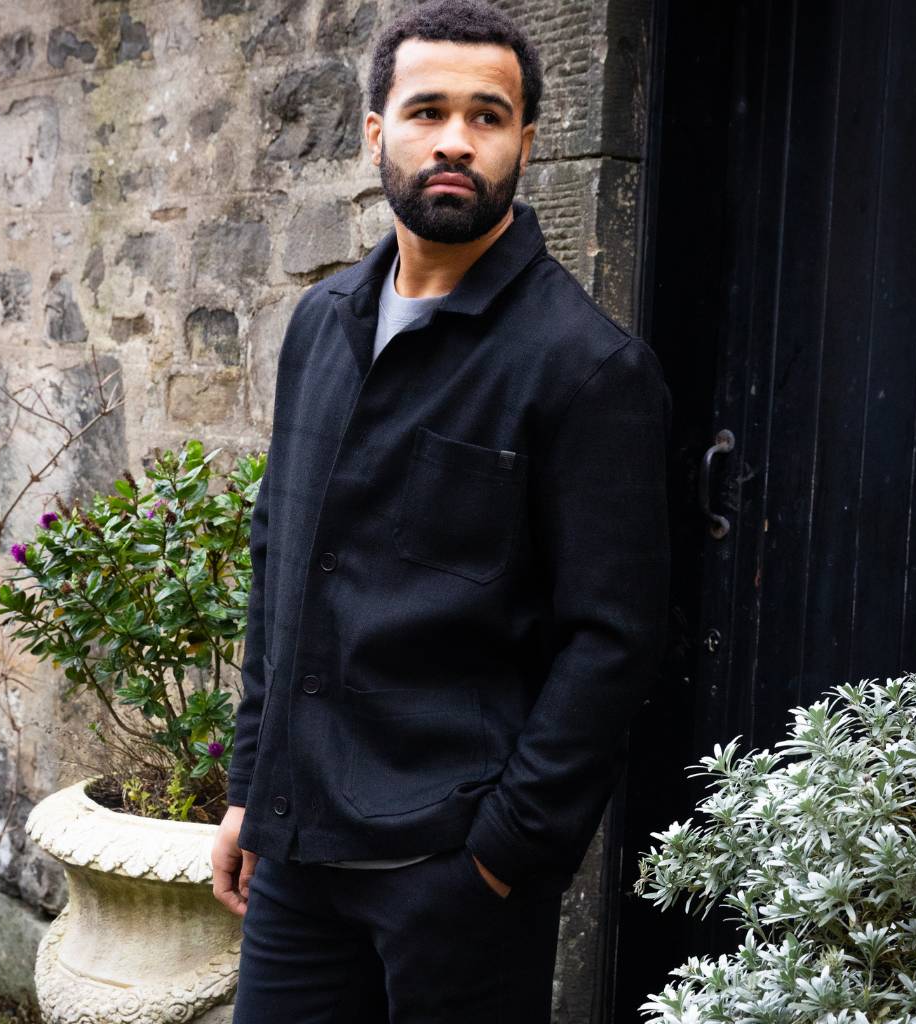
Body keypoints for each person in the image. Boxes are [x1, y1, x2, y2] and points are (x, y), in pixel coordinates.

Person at [211, 1, 672, 1020]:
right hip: (295, 853)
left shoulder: (586, 368)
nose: (455, 139)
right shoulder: (320, 324)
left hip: (450, 876)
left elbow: (613, 639)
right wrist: (251, 783)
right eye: (427, 110)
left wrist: (504, 855)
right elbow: (281, 553)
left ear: (525, 142)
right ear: (377, 131)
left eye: (488, 115)